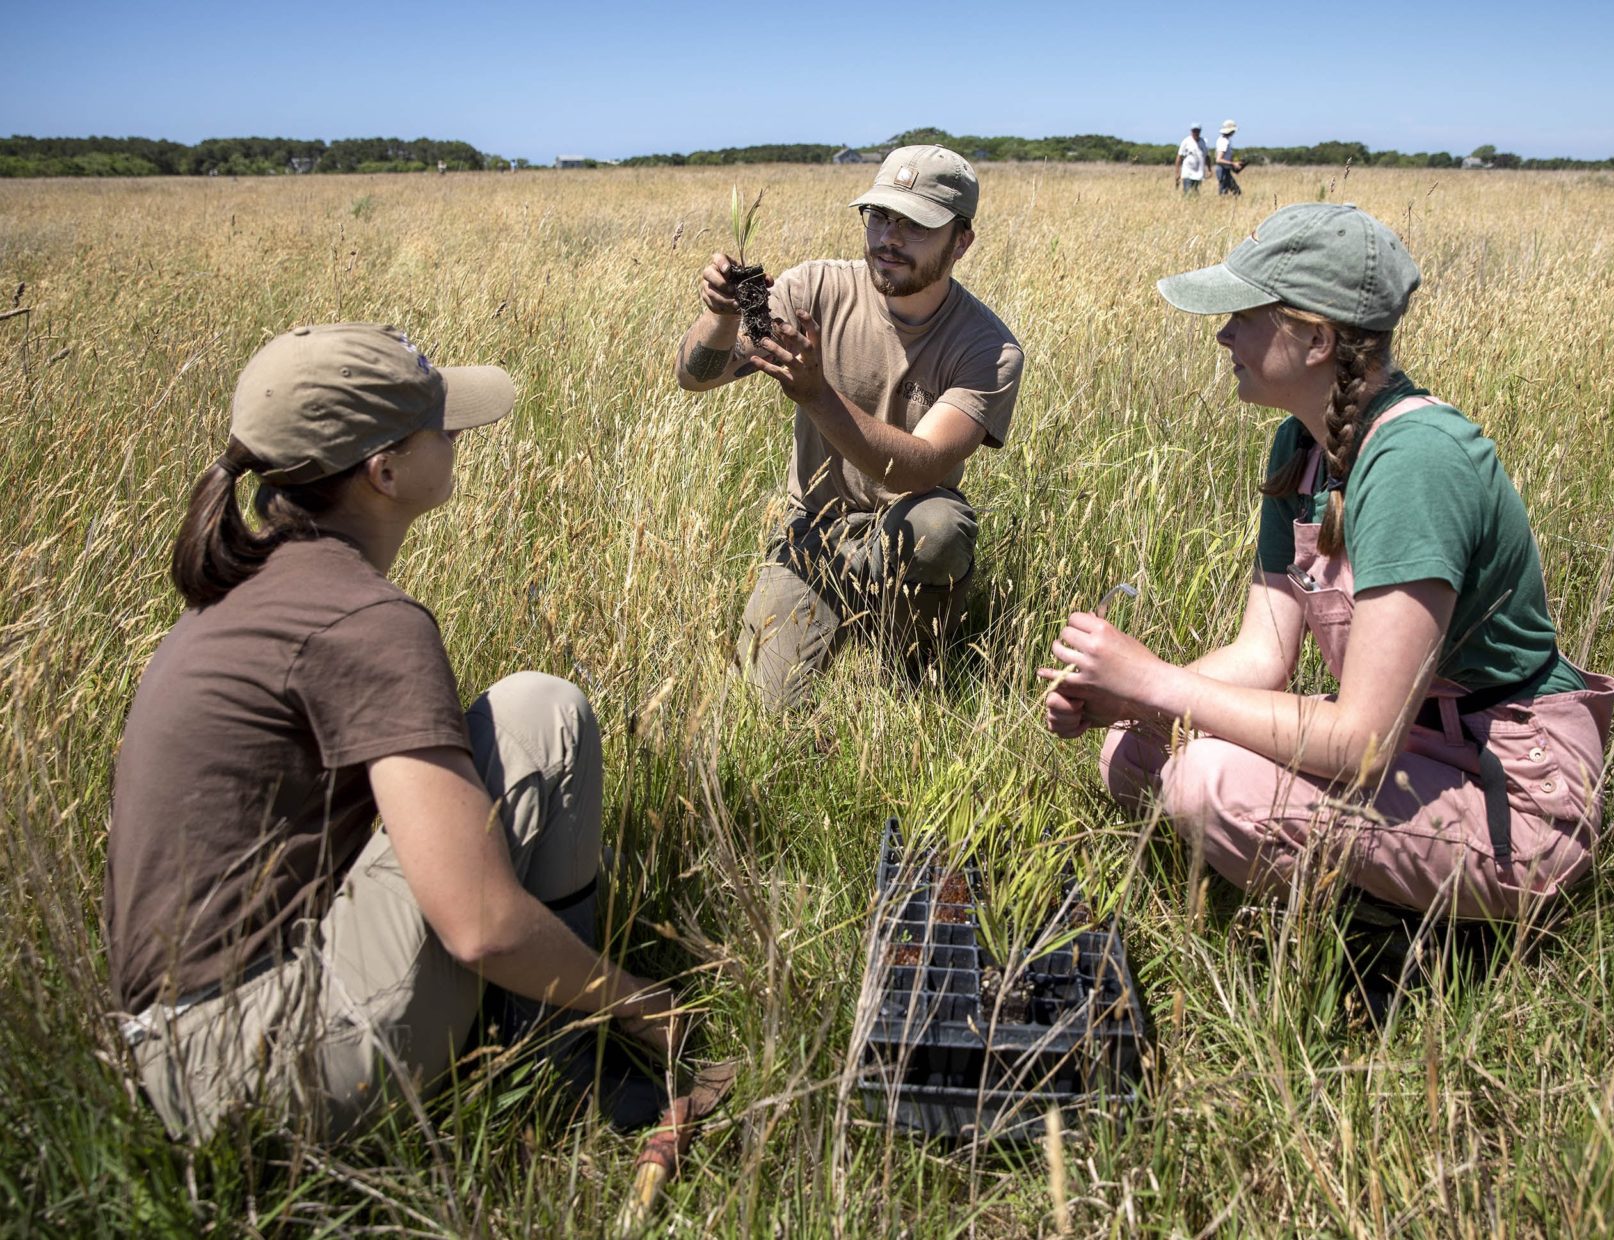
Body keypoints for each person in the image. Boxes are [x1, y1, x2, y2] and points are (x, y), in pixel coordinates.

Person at [106, 324, 681, 1143]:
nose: (455, 438)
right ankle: (566, 1068)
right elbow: (478, 923)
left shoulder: (247, 583)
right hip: (264, 1066)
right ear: (384, 472)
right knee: (537, 713)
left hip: (178, 1058)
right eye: (438, 426)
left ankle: (528, 1037)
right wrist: (646, 1003)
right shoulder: (366, 618)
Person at [1039, 205, 1614, 921]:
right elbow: (1262, 656)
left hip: (1512, 788)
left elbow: (1362, 743)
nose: (1222, 333)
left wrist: (1155, 679)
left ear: (1314, 338)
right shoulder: (1303, 448)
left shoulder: (1415, 464)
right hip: (1419, 747)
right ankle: (1366, 887)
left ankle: (1398, 945)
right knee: (1131, 752)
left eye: (1241, 314)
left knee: (1209, 780)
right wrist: (1131, 701)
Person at [674, 145, 1025, 709]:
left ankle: (910, 651)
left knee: (939, 528)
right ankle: (829, 615)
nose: (889, 238)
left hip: (905, 523)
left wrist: (817, 394)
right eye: (881, 216)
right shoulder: (814, 288)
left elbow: (920, 468)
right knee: (768, 708)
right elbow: (696, 378)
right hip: (812, 527)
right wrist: (721, 316)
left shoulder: (988, 348)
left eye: (915, 226)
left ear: (961, 241)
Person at [1175, 124, 1210, 194]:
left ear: (1200, 131)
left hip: (1198, 173)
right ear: (1191, 131)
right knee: (1188, 191)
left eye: (1197, 131)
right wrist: (1177, 172)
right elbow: (1179, 157)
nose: (1195, 133)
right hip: (1187, 172)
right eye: (1194, 131)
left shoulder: (1203, 142)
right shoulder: (1186, 141)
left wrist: (1209, 169)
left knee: (1195, 191)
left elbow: (1206, 156)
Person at [1214, 120, 1245, 196]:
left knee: (1232, 191)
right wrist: (1233, 164)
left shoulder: (1224, 140)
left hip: (1225, 169)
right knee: (1225, 192)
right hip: (1222, 169)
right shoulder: (1224, 141)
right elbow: (1219, 159)